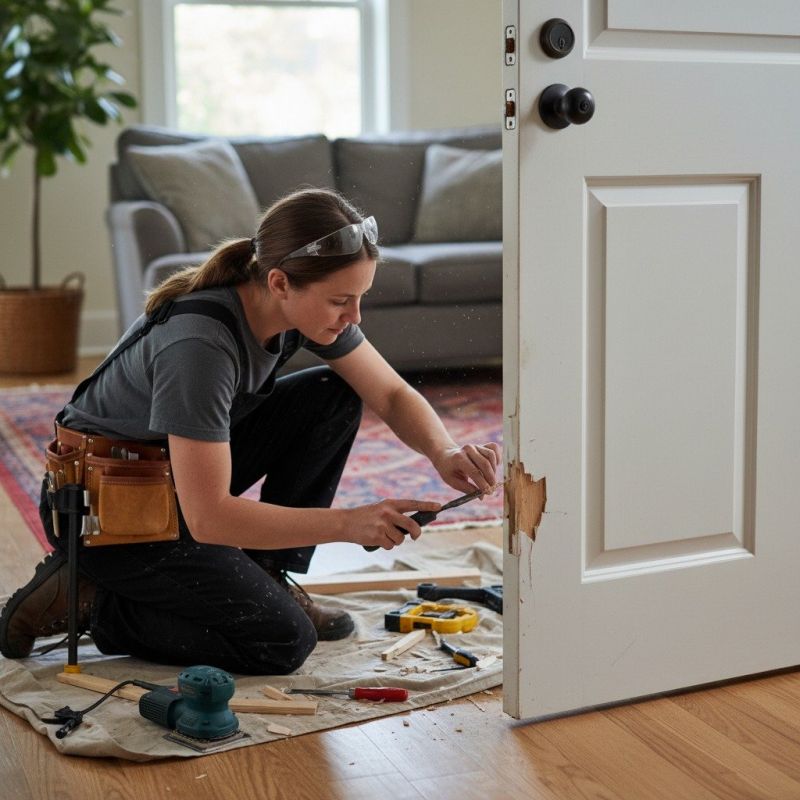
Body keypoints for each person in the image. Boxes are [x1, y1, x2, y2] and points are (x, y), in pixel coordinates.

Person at [0, 188, 501, 675]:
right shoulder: (200, 346)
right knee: (281, 641)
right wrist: (348, 524)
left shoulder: (289, 307)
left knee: (333, 395)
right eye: (341, 301)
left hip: (169, 478)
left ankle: (265, 572)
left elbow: (390, 394)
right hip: (107, 514)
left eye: (360, 298)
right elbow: (211, 517)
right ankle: (95, 601)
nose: (354, 317)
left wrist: (445, 451)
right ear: (280, 282)